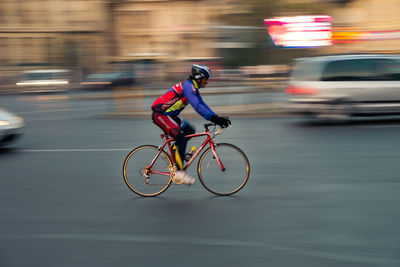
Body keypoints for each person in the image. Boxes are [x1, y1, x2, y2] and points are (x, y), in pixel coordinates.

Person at [151, 64, 231, 185]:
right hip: (160, 114)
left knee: (190, 130)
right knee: (181, 138)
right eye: (206, 79)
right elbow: (197, 107)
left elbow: (203, 105)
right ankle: (179, 172)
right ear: (199, 78)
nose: (207, 82)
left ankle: (173, 152)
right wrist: (216, 118)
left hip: (169, 115)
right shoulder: (188, 87)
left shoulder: (193, 88)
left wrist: (217, 117)